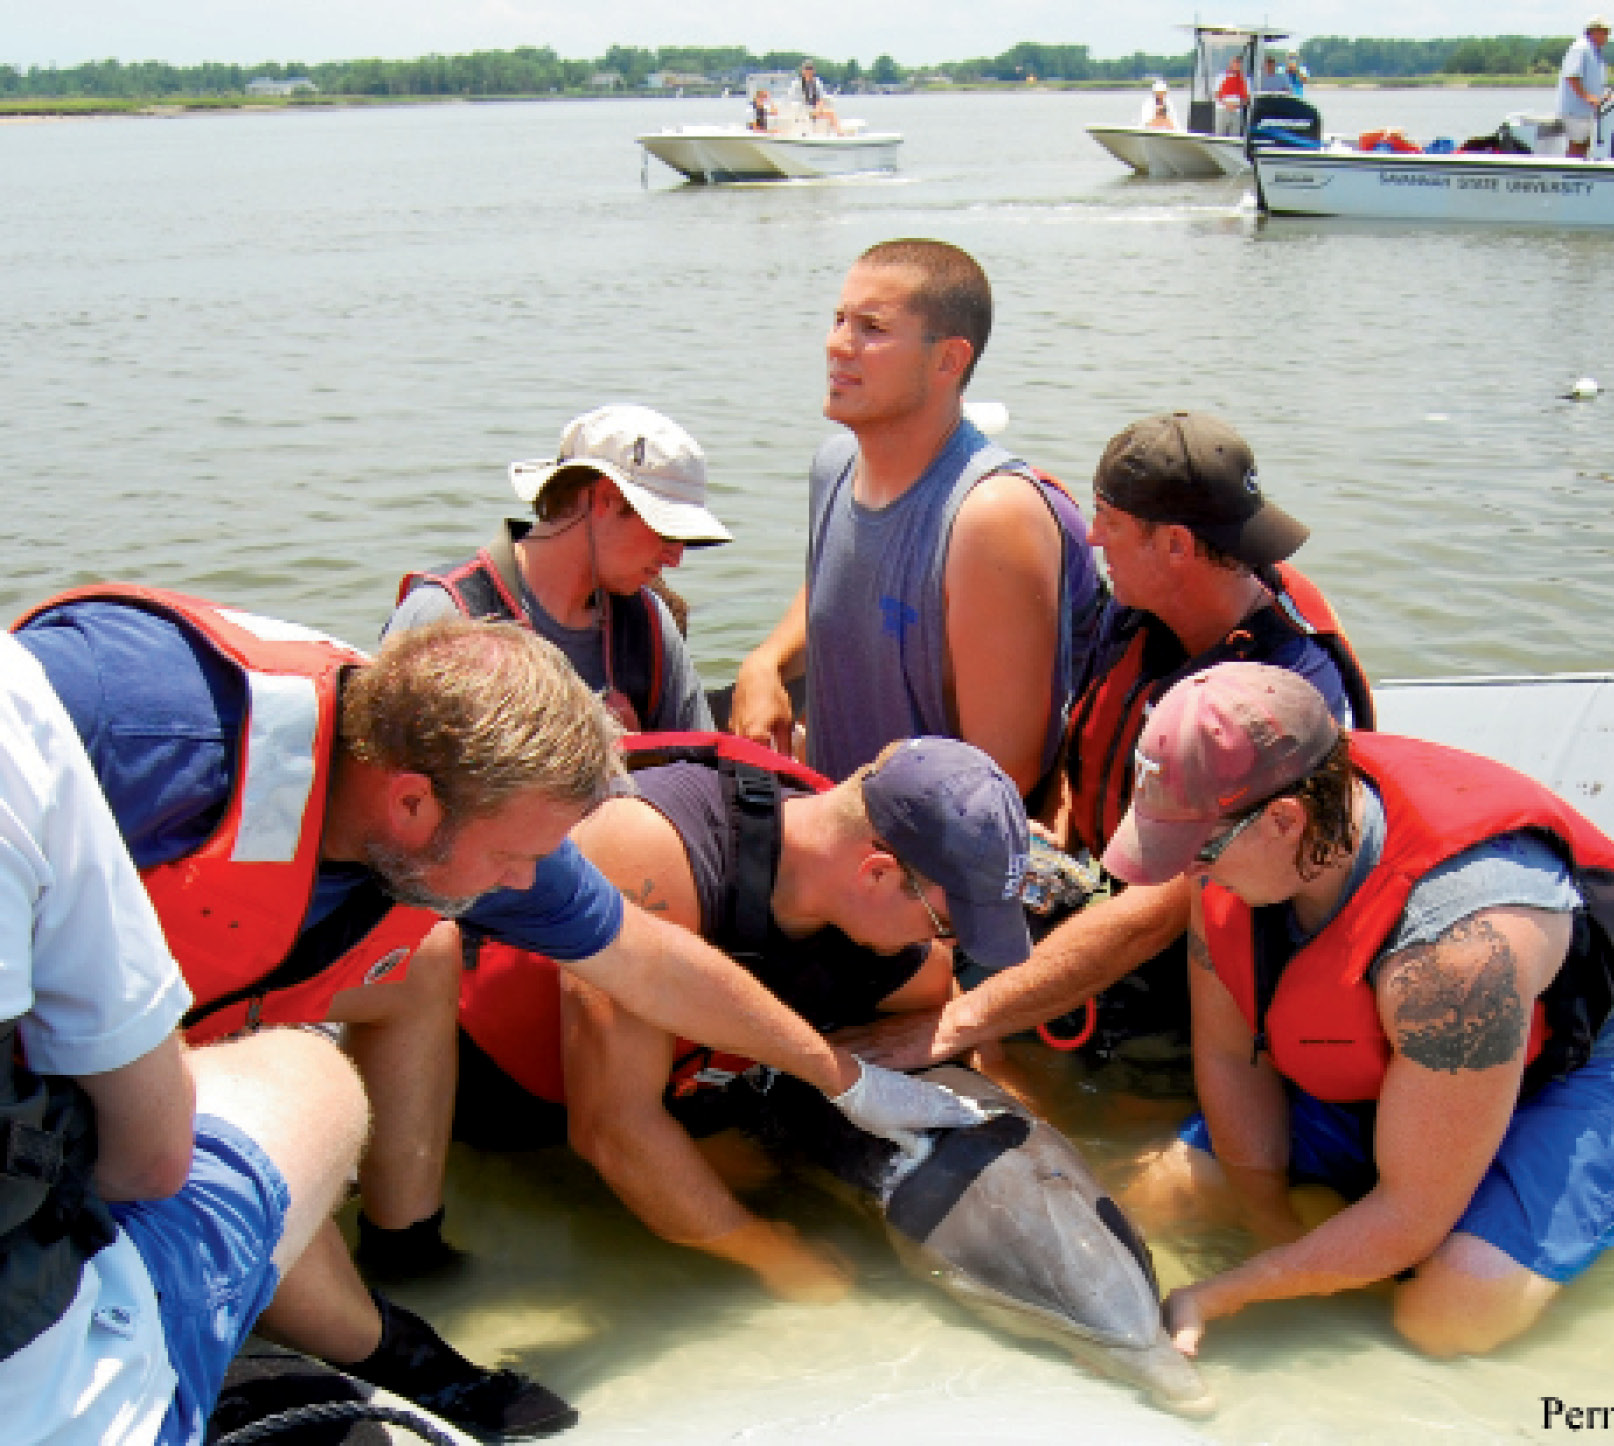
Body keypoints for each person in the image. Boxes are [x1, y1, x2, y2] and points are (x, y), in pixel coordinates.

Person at [11, 592, 988, 1439]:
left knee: (419, 956)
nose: (526, 890)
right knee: (277, 1104)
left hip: (174, 1019)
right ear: (410, 806)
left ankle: (409, 1258)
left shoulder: (473, 808)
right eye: (515, 860)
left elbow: (650, 963)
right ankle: (383, 1342)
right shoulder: (119, 718)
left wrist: (842, 1076)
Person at [1112, 664, 1614, 1360]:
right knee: (1164, 1198)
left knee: (1447, 1318)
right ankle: (1343, 1223)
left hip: (1545, 1079)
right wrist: (1269, 1223)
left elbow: (1411, 1215)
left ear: (1284, 820)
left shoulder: (1457, 953)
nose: (1183, 872)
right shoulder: (1241, 837)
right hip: (1371, 1049)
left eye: (1195, 851)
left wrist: (1225, 1293)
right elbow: (1226, 1054)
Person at [835, 413, 1370, 1073]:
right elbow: (1087, 727)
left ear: (1174, 545)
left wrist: (956, 1023)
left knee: (976, 1037)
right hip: (1101, 886)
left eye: (1108, 523)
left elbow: (1170, 902)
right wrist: (1055, 820)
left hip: (1194, 947)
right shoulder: (1136, 611)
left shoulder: (1283, 693)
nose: (1090, 537)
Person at [453, 735, 1030, 1299]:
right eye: (946, 924)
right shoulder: (652, 852)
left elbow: (963, 1028)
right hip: (508, 1107)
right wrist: (768, 1252)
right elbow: (612, 1129)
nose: (944, 945)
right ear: (876, 874)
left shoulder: (884, 936)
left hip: (683, 1094)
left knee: (756, 1173)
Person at [1, 632, 370, 1446]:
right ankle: (377, 1347)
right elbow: (151, 1163)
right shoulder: (14, 708)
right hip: (52, 1410)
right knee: (302, 1067)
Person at [727, 239, 1100, 810]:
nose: (837, 345)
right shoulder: (834, 468)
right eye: (839, 319)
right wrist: (765, 663)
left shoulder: (990, 517)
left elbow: (1002, 776)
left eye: (871, 329)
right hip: (833, 838)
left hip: (924, 875)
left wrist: (835, 822)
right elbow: (842, 585)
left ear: (950, 360)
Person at [387, 404, 725, 734]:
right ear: (605, 499)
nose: (675, 558)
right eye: (667, 532)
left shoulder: (649, 624)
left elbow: (699, 772)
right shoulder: (446, 616)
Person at [1556, 16, 1612, 159]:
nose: (1608, 36)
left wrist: (1602, 96)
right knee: (1577, 144)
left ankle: (1579, 175)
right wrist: (1588, 97)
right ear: (1594, 31)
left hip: (1587, 110)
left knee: (1586, 144)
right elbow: (1572, 76)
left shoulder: (1595, 50)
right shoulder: (1581, 48)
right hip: (1575, 109)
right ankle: (1570, 175)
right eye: (1605, 32)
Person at [796, 61, 841, 133]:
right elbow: (793, 99)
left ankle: (838, 132)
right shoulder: (797, 84)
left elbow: (821, 98)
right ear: (803, 71)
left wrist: (819, 108)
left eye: (810, 69)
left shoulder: (817, 83)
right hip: (803, 110)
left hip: (814, 110)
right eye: (807, 69)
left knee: (831, 112)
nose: (809, 71)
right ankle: (838, 132)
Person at [1215, 55, 1250, 136]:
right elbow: (1217, 95)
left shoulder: (1245, 79)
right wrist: (1227, 105)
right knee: (1220, 135)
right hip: (1222, 110)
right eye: (1235, 62)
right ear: (1231, 63)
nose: (1237, 64)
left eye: (1239, 62)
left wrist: (1238, 105)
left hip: (1237, 111)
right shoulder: (1221, 77)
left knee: (1235, 135)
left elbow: (1247, 98)